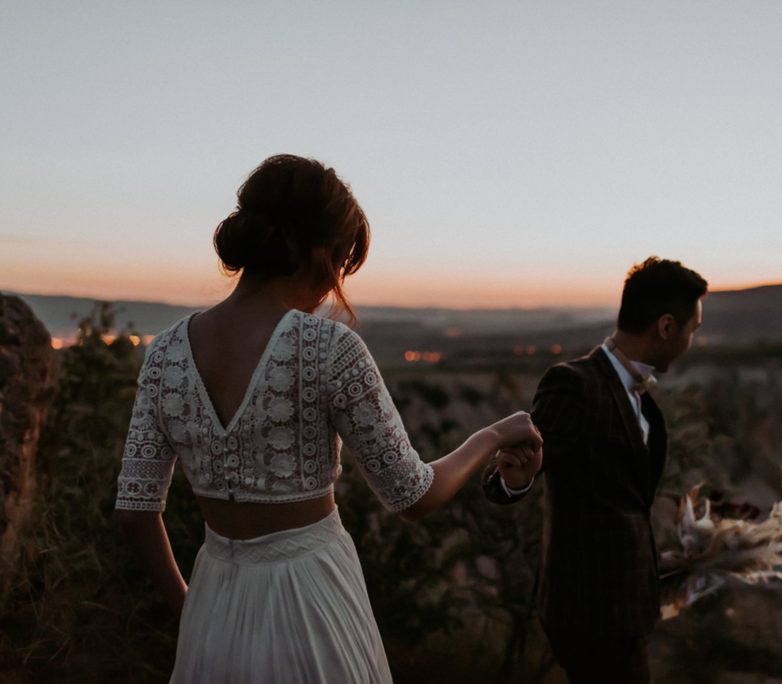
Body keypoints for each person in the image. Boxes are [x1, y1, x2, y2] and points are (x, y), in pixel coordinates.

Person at [113, 154, 544, 683]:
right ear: (320, 253)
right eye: (342, 262)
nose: (337, 279)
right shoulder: (328, 348)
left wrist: (190, 609)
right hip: (311, 598)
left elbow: (136, 511)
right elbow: (412, 494)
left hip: (213, 600)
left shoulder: (165, 354)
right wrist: (493, 434)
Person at [483, 257, 707, 684]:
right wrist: (515, 479)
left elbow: (622, 502)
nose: (692, 340)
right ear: (665, 327)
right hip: (590, 617)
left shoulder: (640, 399)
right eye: (692, 329)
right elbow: (501, 475)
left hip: (630, 611)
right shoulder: (576, 385)